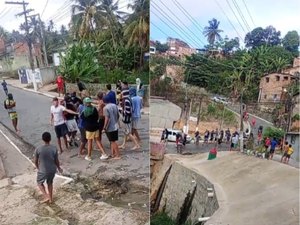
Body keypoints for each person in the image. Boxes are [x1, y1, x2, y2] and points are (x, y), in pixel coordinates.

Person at [34, 132, 63, 204]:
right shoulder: (54, 148)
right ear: (50, 139)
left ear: (42, 139)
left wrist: (38, 168)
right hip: (52, 169)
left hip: (43, 170)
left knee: (39, 182)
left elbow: (35, 161)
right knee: (50, 183)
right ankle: (51, 198)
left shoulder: (38, 149)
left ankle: (46, 196)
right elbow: (56, 160)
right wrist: (59, 168)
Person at [80, 97, 108, 161]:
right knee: (97, 140)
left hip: (89, 128)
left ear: (85, 103)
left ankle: (89, 156)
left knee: (89, 142)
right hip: (96, 127)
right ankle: (104, 154)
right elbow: (97, 117)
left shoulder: (84, 111)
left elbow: (82, 118)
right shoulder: (94, 109)